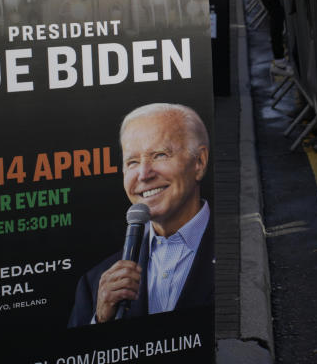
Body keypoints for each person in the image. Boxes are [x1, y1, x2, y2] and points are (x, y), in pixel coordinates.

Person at [69, 103, 213, 326]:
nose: (144, 174)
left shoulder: (237, 248)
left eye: (160, 155)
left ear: (199, 162)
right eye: (133, 162)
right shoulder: (95, 283)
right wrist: (100, 321)